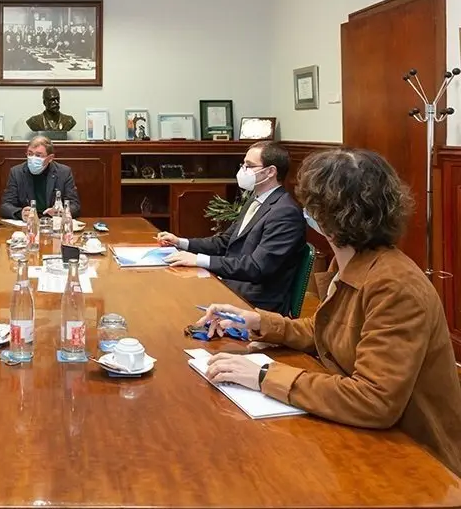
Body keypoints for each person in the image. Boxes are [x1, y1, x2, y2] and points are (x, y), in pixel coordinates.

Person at [196, 148, 461, 477]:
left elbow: (374, 400)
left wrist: (263, 377)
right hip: (366, 437)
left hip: (414, 461)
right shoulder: (353, 261)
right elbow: (327, 329)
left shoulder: (396, 286)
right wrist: (259, 321)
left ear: (327, 216)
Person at [157, 141, 305, 315]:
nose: (243, 170)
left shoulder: (285, 212)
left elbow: (256, 267)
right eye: (243, 164)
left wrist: (199, 260)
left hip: (255, 303)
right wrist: (181, 242)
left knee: (176, 307)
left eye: (249, 166)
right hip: (232, 285)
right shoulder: (255, 200)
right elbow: (225, 241)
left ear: (271, 171)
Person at [0, 135, 81, 221]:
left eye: (38, 155)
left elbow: (75, 206)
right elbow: (5, 206)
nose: (33, 159)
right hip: (28, 225)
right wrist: (21, 213)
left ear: (50, 158)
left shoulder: (64, 172)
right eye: (30, 154)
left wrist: (61, 212)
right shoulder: (16, 172)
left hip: (52, 223)